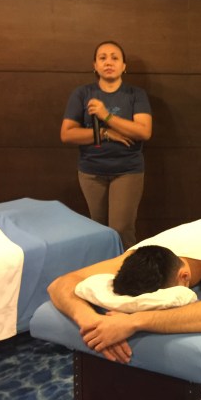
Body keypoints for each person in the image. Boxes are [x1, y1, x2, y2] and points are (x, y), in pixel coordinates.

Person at [47, 244, 201, 364]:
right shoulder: (139, 256)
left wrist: (133, 322)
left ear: (184, 276)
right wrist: (92, 322)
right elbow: (59, 284)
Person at [60, 41, 152, 249]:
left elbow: (144, 131)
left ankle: (126, 267)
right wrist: (104, 133)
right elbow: (67, 134)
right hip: (91, 172)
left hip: (127, 171)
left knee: (121, 229)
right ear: (95, 65)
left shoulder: (136, 95)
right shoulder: (82, 94)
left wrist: (106, 115)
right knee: (99, 230)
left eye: (114, 58)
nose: (108, 62)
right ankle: (102, 267)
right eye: (102, 58)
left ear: (124, 66)